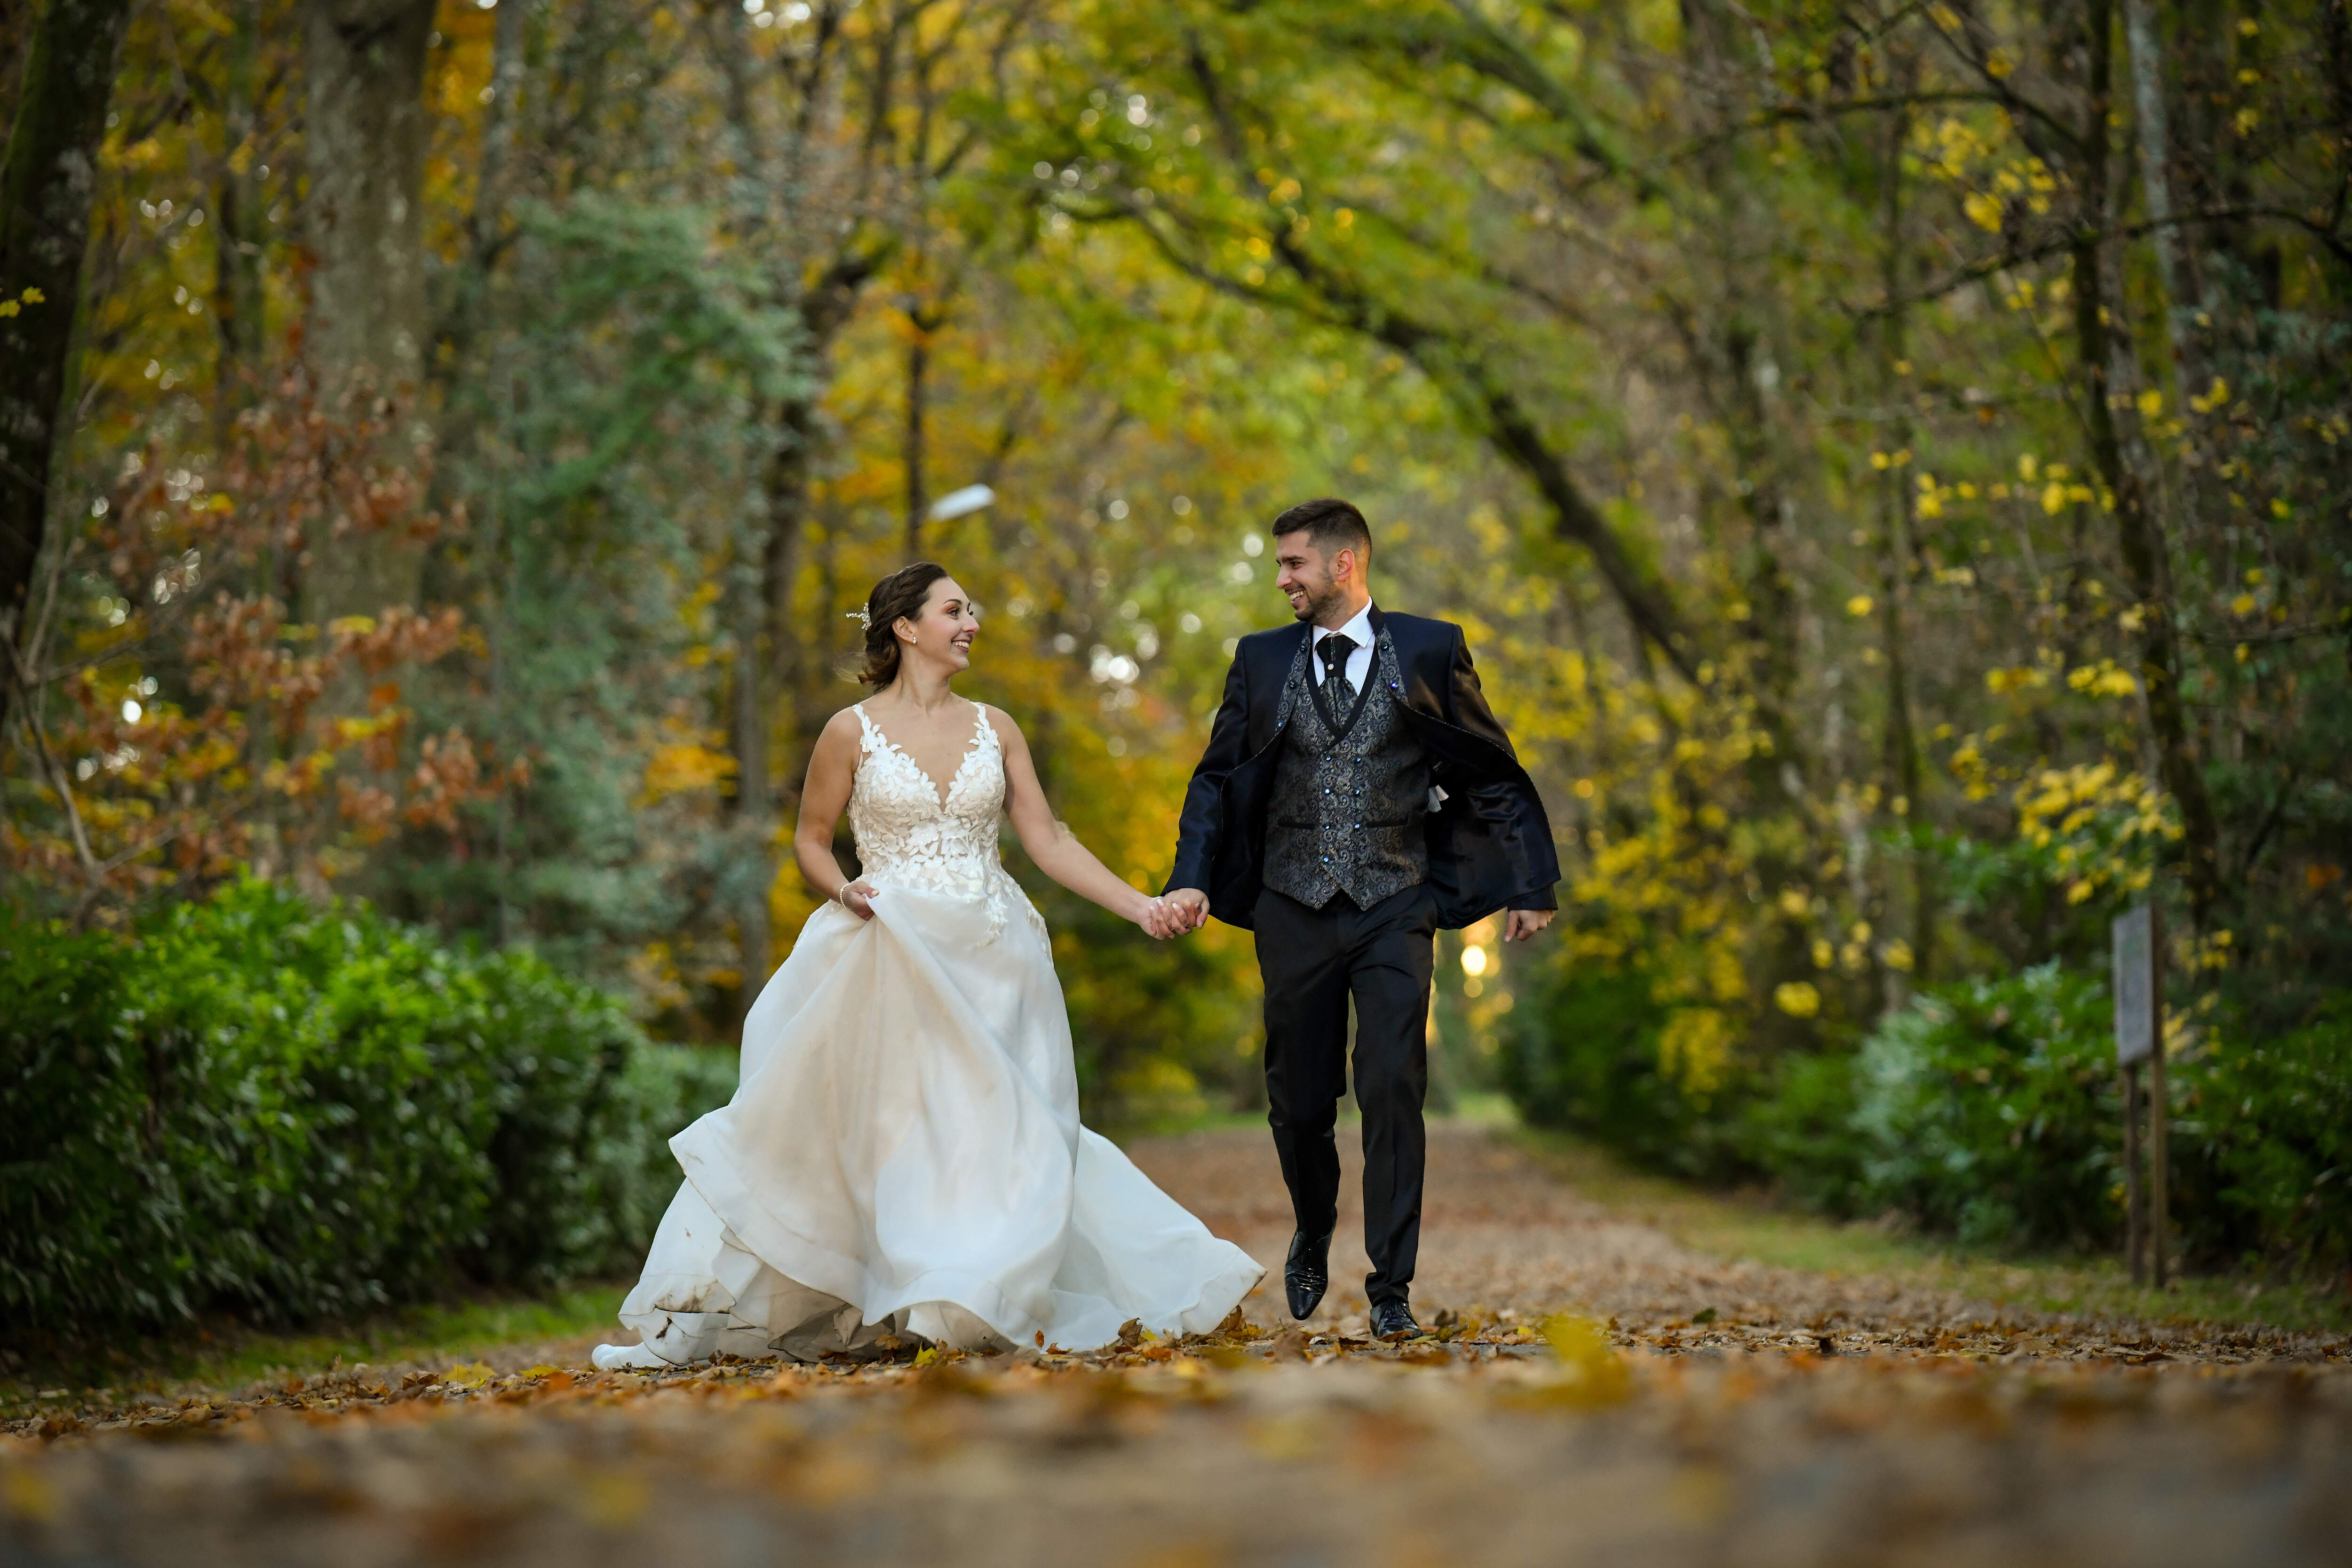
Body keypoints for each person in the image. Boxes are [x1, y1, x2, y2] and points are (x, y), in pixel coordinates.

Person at [594, 562, 1262, 1369]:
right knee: (905, 1132)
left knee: (1001, 1132)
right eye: (954, 610)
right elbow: (810, 838)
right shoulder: (849, 730)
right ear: (907, 629)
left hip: (996, 953)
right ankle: (912, 1289)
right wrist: (845, 890)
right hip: (893, 951)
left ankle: (974, 1294)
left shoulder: (998, 726)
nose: (971, 621)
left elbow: (1048, 840)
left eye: (971, 608)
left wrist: (1143, 906)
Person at [1160, 499, 1558, 1341]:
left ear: (1344, 564)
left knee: (1392, 1085)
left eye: (1293, 564)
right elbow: (1216, 779)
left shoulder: (1429, 647)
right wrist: (1190, 879)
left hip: (1397, 899)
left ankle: (1391, 1286)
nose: (1281, 580)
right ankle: (1312, 1221)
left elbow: (1490, 768)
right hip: (1290, 903)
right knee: (1300, 1103)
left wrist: (1531, 882)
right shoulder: (1261, 660)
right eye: (1279, 565)